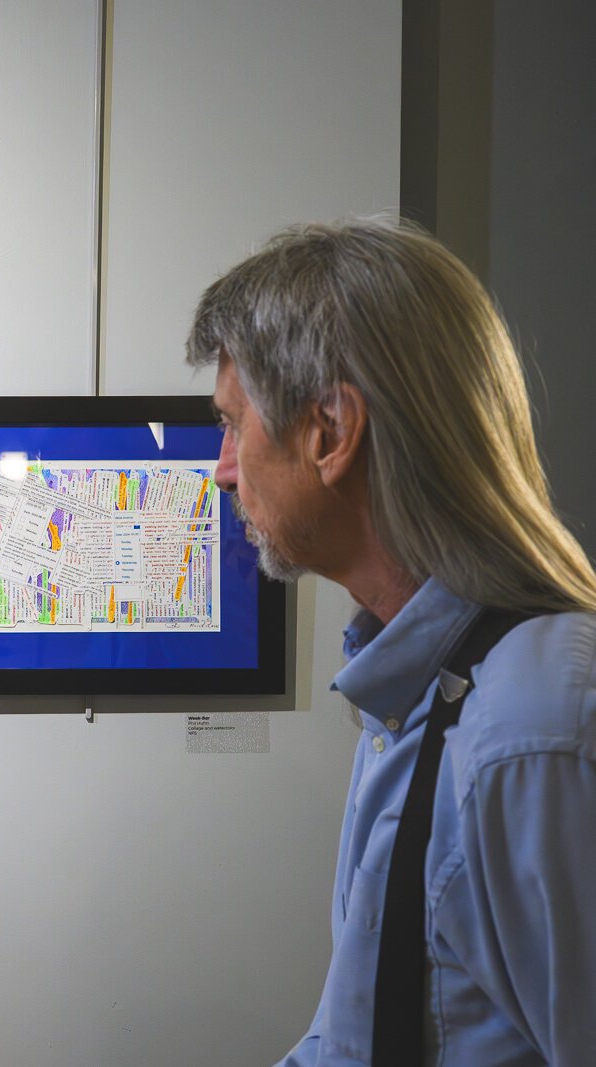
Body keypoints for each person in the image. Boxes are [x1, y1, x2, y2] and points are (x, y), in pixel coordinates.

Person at [188, 217, 596, 1065]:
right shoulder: (424, 694)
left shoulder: (532, 736)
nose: (222, 466)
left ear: (330, 432)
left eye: (235, 423)